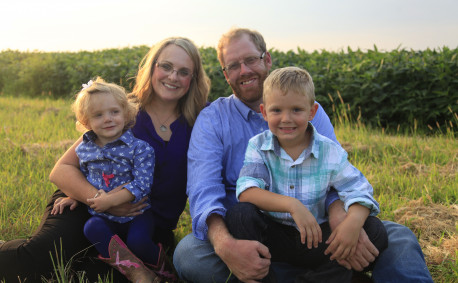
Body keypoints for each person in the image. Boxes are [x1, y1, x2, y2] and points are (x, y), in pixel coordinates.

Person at [173, 27, 433, 283]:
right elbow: (204, 190)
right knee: (189, 256)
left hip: (317, 229)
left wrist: (343, 221)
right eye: (233, 65)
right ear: (225, 75)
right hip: (252, 234)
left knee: (396, 236)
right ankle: (333, 276)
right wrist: (225, 245)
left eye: (250, 59)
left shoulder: (312, 112)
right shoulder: (213, 119)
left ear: (267, 59)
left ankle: (306, 273)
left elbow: (336, 177)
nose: (244, 71)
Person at [0, 36, 210, 282]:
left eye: (184, 72)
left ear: (193, 79)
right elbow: (62, 169)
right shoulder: (123, 110)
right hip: (88, 206)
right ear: (152, 68)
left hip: (147, 224)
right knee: (37, 260)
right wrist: (104, 200)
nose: (173, 76)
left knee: (100, 277)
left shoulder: (203, 119)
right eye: (166, 66)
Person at [225, 66, 388, 282]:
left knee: (375, 231)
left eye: (296, 110)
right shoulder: (258, 146)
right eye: (276, 111)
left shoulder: (330, 151)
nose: (286, 119)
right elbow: (247, 191)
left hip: (318, 239)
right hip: (274, 238)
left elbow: (359, 189)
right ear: (264, 112)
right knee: (240, 215)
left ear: (312, 111)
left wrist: (353, 223)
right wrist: (293, 206)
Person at [55, 77, 174, 282]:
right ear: (86, 121)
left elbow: (143, 184)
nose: (108, 119)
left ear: (125, 114)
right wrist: (73, 195)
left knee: (138, 241)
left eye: (114, 112)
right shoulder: (84, 149)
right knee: (91, 228)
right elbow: (83, 175)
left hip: (137, 213)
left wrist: (110, 201)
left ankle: (166, 272)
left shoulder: (140, 149)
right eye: (98, 115)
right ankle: (136, 271)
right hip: (103, 217)